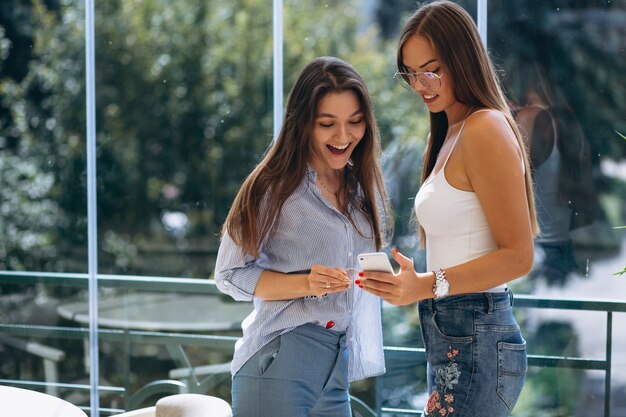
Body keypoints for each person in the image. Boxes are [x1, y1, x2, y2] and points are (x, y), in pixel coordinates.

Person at [357, 2, 539, 416]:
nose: (421, 84)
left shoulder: (485, 127)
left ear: (462, 57)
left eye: (432, 69)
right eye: (411, 73)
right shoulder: (450, 132)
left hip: (477, 333)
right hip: (456, 331)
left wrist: (425, 285)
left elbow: (519, 255)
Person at [214, 56, 392, 417]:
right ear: (303, 125)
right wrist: (306, 283)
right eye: (327, 124)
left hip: (336, 364)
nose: (343, 136)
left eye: (354, 122)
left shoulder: (361, 190)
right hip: (279, 361)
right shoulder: (272, 188)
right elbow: (229, 275)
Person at [509, 61, 597, 286]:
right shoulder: (566, 119)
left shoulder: (532, 117)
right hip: (563, 240)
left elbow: (511, 180)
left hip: (539, 246)